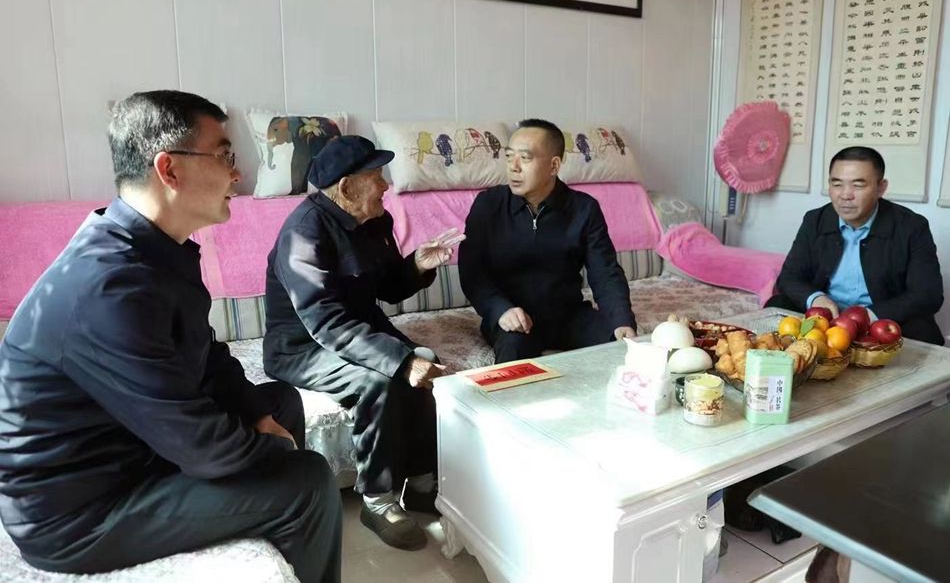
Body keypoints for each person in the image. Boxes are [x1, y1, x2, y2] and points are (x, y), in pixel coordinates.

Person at [0, 91, 342, 582]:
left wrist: (258, 418)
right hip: (80, 511)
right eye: (225, 155)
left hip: (131, 446)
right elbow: (201, 445)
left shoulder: (155, 251)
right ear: (170, 169)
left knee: (279, 403)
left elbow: (207, 356)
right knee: (307, 481)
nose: (238, 174)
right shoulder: (108, 288)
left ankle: (285, 535)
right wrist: (280, 452)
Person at [264, 135, 463, 551]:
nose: (386, 185)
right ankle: (377, 499)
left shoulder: (374, 219)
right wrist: (399, 362)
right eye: (376, 176)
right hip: (303, 346)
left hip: (357, 330)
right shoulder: (304, 233)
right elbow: (324, 322)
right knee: (380, 380)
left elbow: (388, 288)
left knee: (424, 359)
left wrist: (417, 265)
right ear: (347, 187)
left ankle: (421, 483)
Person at [458, 118, 637, 363]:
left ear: (554, 166)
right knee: (513, 355)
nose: (513, 167)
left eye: (525, 158)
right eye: (509, 157)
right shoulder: (489, 205)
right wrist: (499, 309)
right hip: (514, 318)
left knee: (623, 348)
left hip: (569, 315)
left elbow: (605, 272)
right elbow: (472, 272)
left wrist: (621, 320)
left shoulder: (584, 209)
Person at [767, 145, 944, 345]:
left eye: (858, 185)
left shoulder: (911, 226)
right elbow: (789, 278)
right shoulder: (815, 220)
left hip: (881, 318)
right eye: (837, 184)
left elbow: (928, 294)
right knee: (778, 304)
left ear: (881, 188)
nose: (845, 195)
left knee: (922, 329)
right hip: (827, 316)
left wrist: (869, 315)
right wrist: (816, 299)